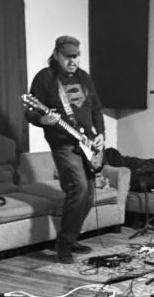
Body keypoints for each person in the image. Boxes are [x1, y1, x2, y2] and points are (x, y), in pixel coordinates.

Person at [27, 34, 106, 264]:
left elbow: (96, 109)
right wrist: (44, 121)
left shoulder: (83, 77)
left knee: (89, 196)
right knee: (78, 187)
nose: (73, 61)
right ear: (56, 55)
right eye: (68, 56)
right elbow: (30, 112)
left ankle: (70, 238)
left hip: (87, 142)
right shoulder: (46, 78)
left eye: (76, 56)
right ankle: (63, 247)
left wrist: (100, 134)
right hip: (62, 142)